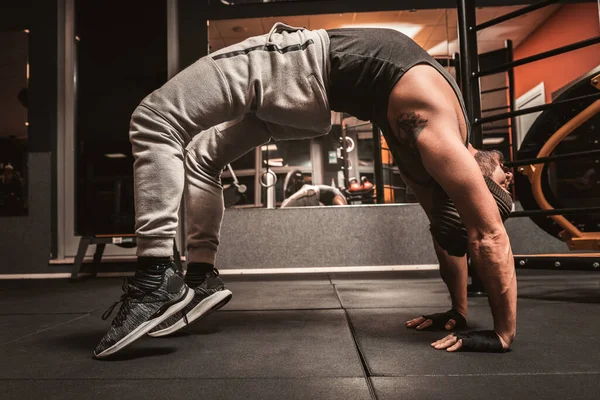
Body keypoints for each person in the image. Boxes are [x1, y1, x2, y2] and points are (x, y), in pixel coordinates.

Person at [94, 23, 516, 358]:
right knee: (202, 156)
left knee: (153, 119)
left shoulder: (437, 137)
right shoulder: (439, 150)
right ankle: (200, 278)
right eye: (504, 178)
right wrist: (462, 313)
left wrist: (500, 333)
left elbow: (485, 234)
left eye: (500, 181)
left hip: (300, 69)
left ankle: (153, 278)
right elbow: (464, 233)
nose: (508, 176)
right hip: (316, 97)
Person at [280, 184, 347, 208]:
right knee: (283, 211)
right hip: (311, 194)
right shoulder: (340, 198)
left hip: (312, 194)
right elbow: (342, 210)